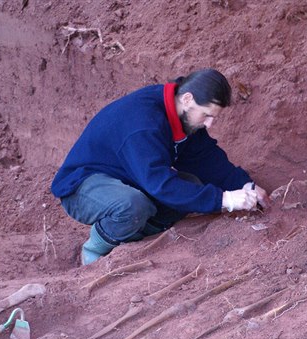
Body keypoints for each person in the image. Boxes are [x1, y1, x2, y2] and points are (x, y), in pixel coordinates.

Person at [51, 68, 270, 265]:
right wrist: (226, 200)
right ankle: (94, 251)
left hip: (129, 179)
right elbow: (160, 184)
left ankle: (129, 238)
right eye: (207, 115)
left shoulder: (182, 116)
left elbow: (205, 158)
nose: (210, 124)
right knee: (132, 205)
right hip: (82, 187)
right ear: (187, 98)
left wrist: (246, 184)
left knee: (189, 185)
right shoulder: (144, 124)